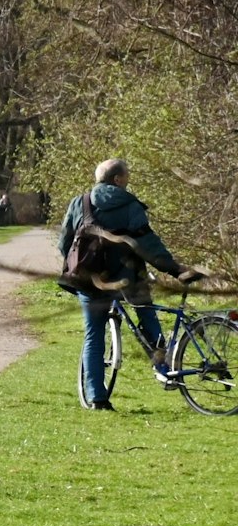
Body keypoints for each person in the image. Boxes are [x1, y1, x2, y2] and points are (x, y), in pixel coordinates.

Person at [59, 158, 202, 410]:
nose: (128, 180)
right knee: (147, 317)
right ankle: (164, 369)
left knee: (94, 335)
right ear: (117, 179)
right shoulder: (129, 205)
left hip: (92, 281)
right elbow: (148, 245)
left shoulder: (79, 203)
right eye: (127, 176)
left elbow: (65, 243)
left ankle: (97, 398)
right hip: (129, 279)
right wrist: (174, 269)